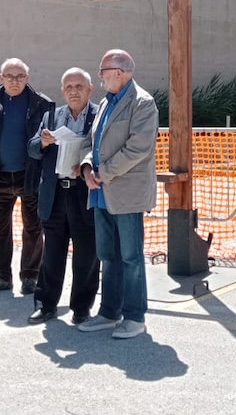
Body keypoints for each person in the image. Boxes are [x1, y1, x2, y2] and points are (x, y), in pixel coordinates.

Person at [78, 49, 159, 339]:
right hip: (101, 192)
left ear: (119, 73)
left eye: (103, 70)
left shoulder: (142, 103)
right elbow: (92, 143)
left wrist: (104, 172)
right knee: (108, 255)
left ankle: (135, 317)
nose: (99, 76)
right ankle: (109, 313)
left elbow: (138, 148)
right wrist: (87, 167)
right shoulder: (105, 103)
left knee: (130, 258)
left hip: (126, 194)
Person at [0, 58, 54, 296]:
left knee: (33, 228)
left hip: (30, 176)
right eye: (9, 76)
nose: (15, 81)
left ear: (27, 79)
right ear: (2, 78)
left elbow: (51, 142)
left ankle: (30, 276)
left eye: (20, 77)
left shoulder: (42, 104)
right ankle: (1, 277)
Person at [26, 68, 100, 324]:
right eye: (68, 87)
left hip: (84, 192)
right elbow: (32, 148)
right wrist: (43, 142)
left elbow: (105, 149)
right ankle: (45, 304)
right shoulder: (51, 116)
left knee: (87, 254)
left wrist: (88, 165)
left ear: (90, 89)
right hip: (55, 193)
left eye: (79, 86)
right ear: (62, 91)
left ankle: (81, 308)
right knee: (52, 253)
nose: (73, 91)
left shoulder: (99, 115)